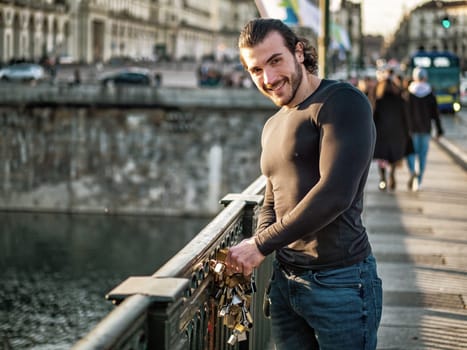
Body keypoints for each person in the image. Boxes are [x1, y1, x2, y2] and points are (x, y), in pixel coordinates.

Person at [225, 18, 382, 350]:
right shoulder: (272, 124)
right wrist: (258, 247)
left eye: (275, 60)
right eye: (256, 70)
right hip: (285, 283)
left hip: (340, 282)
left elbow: (336, 193)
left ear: (298, 52)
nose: (268, 78)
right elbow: (272, 199)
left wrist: (260, 245)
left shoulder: (342, 102)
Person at [405, 67, 443, 191]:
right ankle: (419, 181)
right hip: (426, 129)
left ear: (414, 77)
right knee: (422, 156)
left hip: (411, 129)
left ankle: (412, 171)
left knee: (410, 152)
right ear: (425, 77)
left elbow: (405, 112)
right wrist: (439, 130)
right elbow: (435, 114)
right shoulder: (430, 93)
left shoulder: (409, 93)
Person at [372, 69, 412, 191]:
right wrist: (407, 132)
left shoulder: (378, 101)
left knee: (382, 158)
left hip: (382, 134)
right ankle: (392, 175)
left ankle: (383, 178)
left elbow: (373, 118)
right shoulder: (400, 101)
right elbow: (406, 118)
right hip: (397, 133)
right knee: (394, 157)